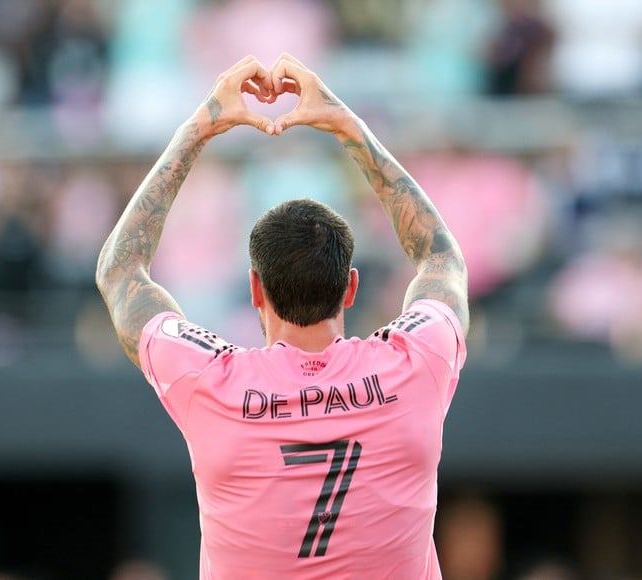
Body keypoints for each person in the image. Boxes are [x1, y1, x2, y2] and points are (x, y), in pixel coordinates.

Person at [96, 53, 469, 580]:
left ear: (255, 290)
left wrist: (199, 128)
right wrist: (347, 124)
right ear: (351, 288)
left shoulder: (212, 382)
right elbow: (441, 256)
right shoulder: (415, 363)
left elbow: (120, 269)